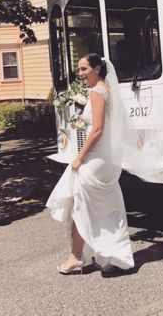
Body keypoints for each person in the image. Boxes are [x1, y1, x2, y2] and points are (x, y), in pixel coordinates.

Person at [46, 53, 134, 275]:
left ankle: (76, 257)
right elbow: (98, 123)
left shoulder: (96, 92)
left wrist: (79, 158)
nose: (81, 73)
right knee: (109, 208)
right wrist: (81, 120)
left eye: (84, 69)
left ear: (97, 69)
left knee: (79, 204)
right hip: (107, 157)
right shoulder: (108, 90)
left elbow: (98, 130)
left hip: (95, 157)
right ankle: (114, 256)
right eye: (79, 69)